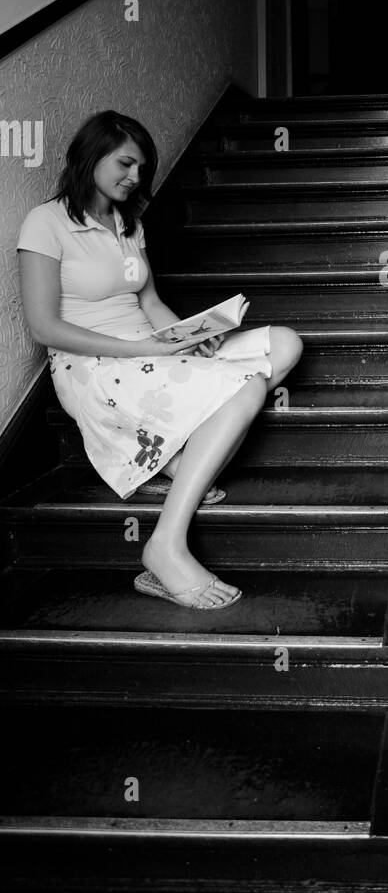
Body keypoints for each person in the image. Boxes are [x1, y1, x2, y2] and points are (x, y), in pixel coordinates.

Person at [16, 110, 303, 610]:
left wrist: (191, 336)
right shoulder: (46, 222)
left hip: (152, 350)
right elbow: (43, 327)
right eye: (126, 164)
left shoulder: (131, 225)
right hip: (94, 364)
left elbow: (149, 305)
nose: (135, 177)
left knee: (284, 343)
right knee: (248, 385)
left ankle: (177, 461)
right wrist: (144, 349)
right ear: (91, 156)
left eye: (142, 169)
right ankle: (165, 545)